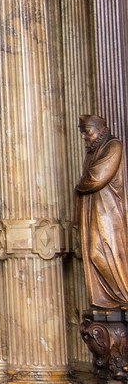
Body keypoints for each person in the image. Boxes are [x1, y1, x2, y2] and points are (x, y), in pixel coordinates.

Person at [79, 114, 128, 309]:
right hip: (95, 210)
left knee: (103, 252)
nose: (84, 137)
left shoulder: (112, 146)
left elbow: (95, 178)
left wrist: (80, 185)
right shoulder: (93, 151)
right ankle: (111, 300)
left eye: (86, 132)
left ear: (99, 129)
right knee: (94, 253)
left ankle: (121, 296)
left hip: (108, 212)